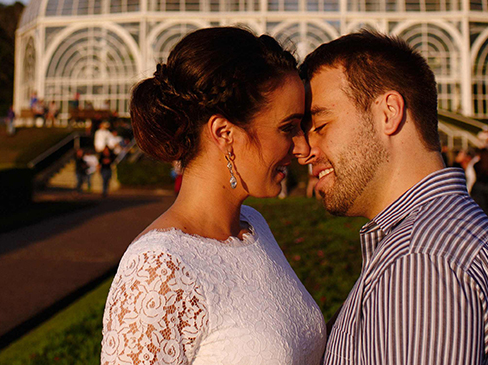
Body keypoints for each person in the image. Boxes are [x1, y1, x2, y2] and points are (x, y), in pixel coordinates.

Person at [301, 30, 488, 365]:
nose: (305, 150)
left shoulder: (422, 258)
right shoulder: (446, 231)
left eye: (320, 125)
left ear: (388, 113)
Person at [100, 27, 324, 364]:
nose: (303, 146)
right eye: (287, 127)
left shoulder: (255, 229)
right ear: (224, 133)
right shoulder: (159, 269)